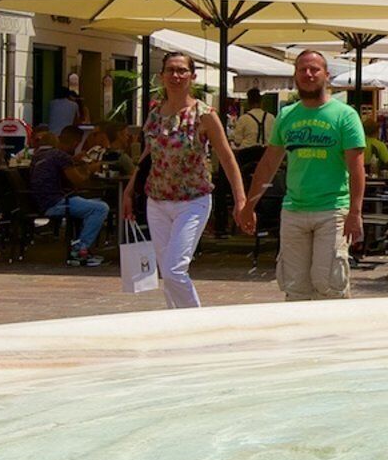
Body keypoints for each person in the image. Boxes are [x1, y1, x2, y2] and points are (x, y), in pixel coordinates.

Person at [129, 54, 246, 310]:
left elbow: (226, 157)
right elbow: (149, 153)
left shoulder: (204, 114)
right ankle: (175, 322)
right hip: (157, 200)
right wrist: (129, 190)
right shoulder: (155, 113)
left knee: (174, 269)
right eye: (170, 70)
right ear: (161, 75)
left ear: (192, 76)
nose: (176, 76)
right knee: (166, 271)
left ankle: (195, 320)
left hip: (193, 201)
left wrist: (241, 200)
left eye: (182, 71)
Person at [269, 48, 367, 301]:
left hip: (332, 210)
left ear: (327, 75)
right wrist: (248, 203)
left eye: (314, 69)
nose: (308, 74)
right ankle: (299, 338)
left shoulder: (345, 115)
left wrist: (355, 212)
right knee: (295, 287)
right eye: (302, 69)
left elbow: (357, 169)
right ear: (295, 75)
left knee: (329, 284)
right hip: (293, 209)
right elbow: (269, 162)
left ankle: (333, 337)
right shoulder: (286, 115)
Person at [19, 127, 109, 263]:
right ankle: (80, 249)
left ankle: (80, 242)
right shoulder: (60, 155)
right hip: (55, 203)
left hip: (41, 202)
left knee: (94, 202)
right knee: (101, 208)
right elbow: (78, 180)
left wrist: (73, 160)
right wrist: (90, 170)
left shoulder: (38, 156)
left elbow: (57, 166)